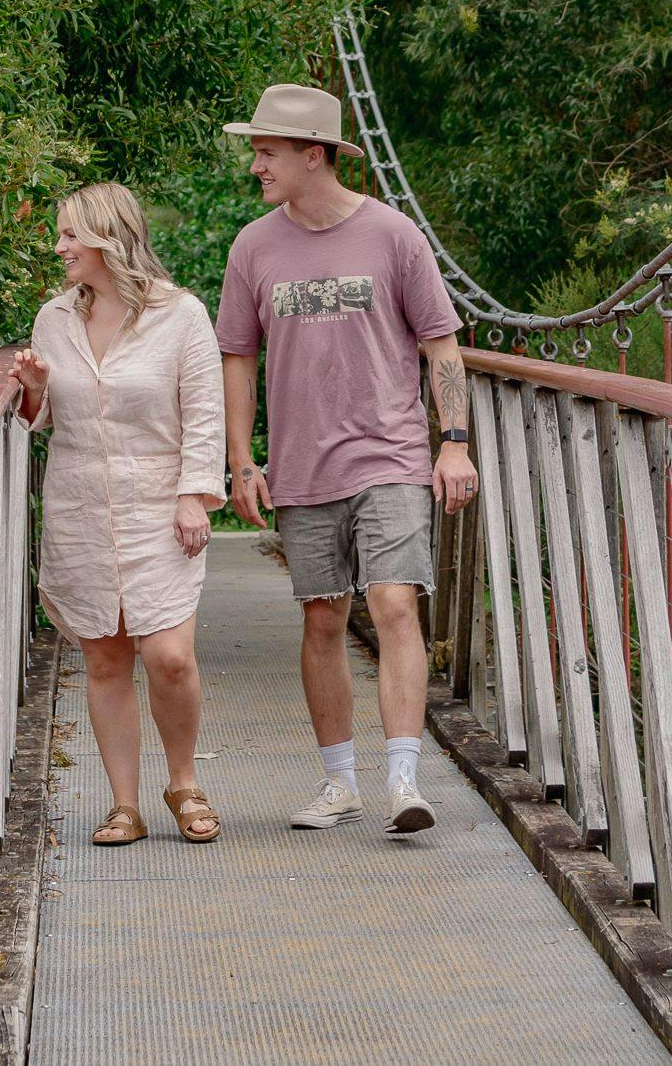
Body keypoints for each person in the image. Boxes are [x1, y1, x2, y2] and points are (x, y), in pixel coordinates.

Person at [213, 83, 480, 835]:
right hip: (303, 464)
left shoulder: (394, 236)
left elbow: (440, 344)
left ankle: (402, 779)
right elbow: (237, 354)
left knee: (395, 604)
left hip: (389, 454)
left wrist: (452, 443)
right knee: (323, 618)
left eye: (267, 151)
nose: (257, 164)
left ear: (314, 154)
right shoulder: (253, 246)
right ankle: (340, 783)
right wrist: (242, 460)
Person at [9, 182, 228, 845]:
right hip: (80, 510)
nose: (60, 247)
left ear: (108, 236)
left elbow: (205, 412)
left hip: (160, 511)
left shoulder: (181, 315)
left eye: (71, 234)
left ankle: (184, 779)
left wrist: (195, 494)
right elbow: (40, 422)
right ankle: (124, 804)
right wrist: (36, 392)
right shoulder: (54, 319)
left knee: (169, 656)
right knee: (105, 659)